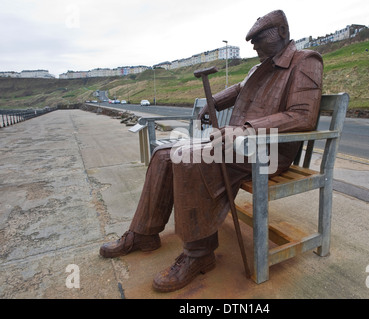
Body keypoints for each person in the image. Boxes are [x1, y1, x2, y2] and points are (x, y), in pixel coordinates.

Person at [99, 9, 323, 292]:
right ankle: (143, 233)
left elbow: (303, 116)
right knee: (164, 154)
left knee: (190, 160)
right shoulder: (261, 66)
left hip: (267, 151)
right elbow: (239, 89)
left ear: (281, 32)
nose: (252, 45)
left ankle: (199, 254)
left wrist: (247, 129)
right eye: (250, 40)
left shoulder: (305, 61)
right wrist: (213, 102)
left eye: (257, 38)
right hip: (237, 145)